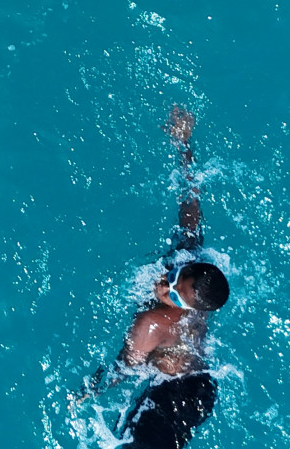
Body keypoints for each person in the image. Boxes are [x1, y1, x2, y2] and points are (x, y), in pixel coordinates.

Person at [72, 106, 230, 448]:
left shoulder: (152, 323)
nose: (166, 285)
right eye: (177, 276)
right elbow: (191, 210)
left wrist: (87, 392)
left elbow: (123, 370)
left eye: (174, 294)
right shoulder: (194, 270)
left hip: (171, 398)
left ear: (188, 304)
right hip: (204, 388)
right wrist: (184, 146)